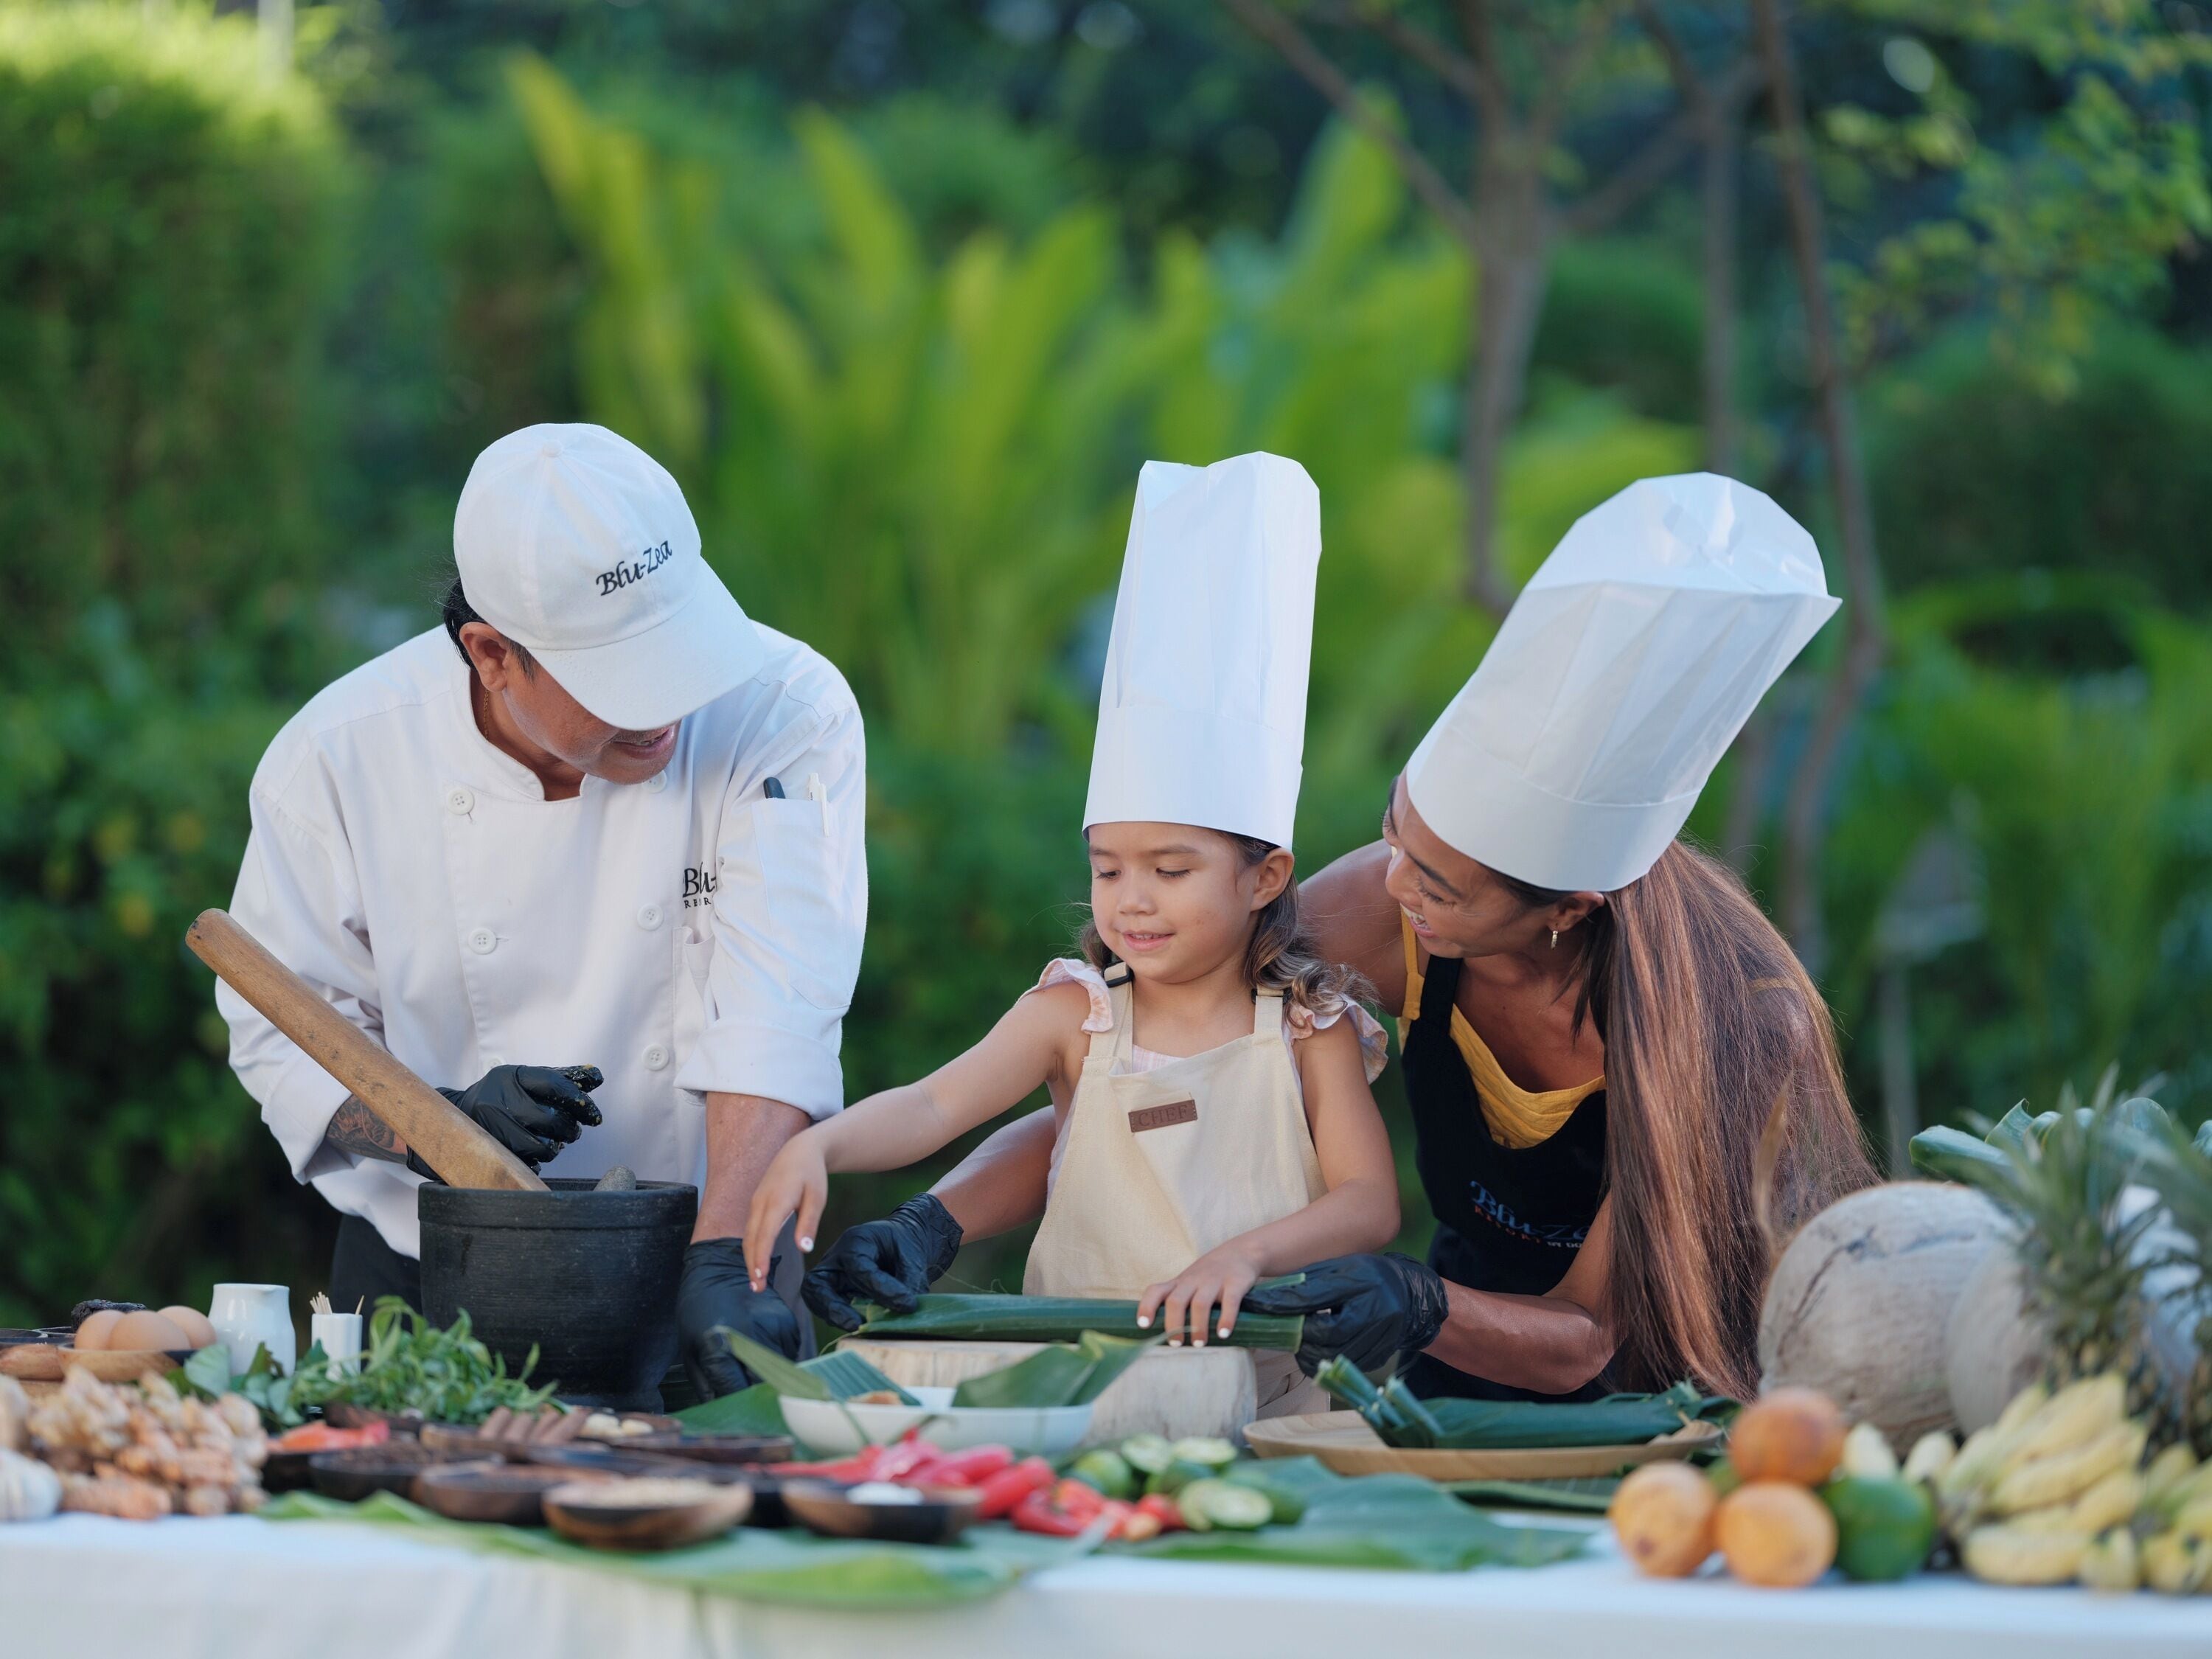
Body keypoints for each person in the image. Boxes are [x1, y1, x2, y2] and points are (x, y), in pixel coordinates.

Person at [805, 473, 1877, 1402]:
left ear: (1567, 911)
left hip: (1652, 1407)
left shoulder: (1736, 1027)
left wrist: (1411, 1297)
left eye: (1444, 887)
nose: (1398, 885)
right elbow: (1135, 1087)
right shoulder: (1382, 904)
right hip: (1442, 1396)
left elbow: (1588, 1338)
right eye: (1395, 831)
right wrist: (937, 1221)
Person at [217, 423, 867, 1401]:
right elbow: (286, 1042)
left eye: (682, 649)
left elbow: (780, 1007)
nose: (668, 709)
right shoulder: (340, 756)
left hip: (706, 1272)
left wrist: (727, 1258)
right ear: (491, 654)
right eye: (624, 679)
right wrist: (439, 1122)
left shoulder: (783, 707)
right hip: (430, 1286)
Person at [749, 453, 1397, 1410]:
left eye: (1171, 871)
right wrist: (821, 1148)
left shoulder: (1310, 1026)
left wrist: (1245, 1257)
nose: (1132, 899)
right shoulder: (1076, 1013)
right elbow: (934, 1106)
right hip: (1073, 1394)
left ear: (1264, 876)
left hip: (1264, 1404)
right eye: (1108, 868)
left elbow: (1367, 1202)